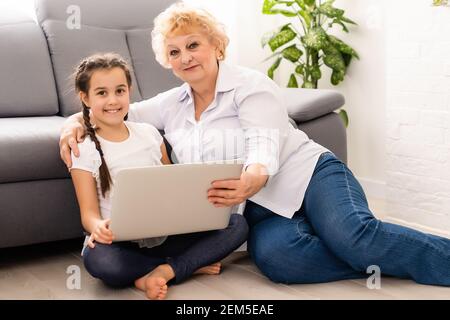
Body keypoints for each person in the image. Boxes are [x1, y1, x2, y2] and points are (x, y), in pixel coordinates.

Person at [60, 3, 450, 286]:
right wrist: (73, 124)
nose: (185, 57)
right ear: (168, 60)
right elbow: (115, 111)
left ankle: (399, 253)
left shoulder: (251, 87)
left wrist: (253, 175)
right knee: (281, 262)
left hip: (308, 177)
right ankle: (375, 258)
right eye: (175, 51)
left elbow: (263, 144)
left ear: (216, 45)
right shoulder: (170, 104)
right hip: (260, 210)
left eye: (193, 45)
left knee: (355, 237)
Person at [68, 52, 248, 300]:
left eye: (120, 91)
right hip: (118, 243)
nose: (113, 100)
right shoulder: (84, 148)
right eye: (102, 93)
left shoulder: (149, 133)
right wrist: (98, 227)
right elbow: (88, 214)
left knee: (236, 224)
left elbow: (170, 186)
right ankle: (184, 266)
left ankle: (164, 270)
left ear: (129, 91)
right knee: (100, 261)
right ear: (85, 97)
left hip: (163, 236)